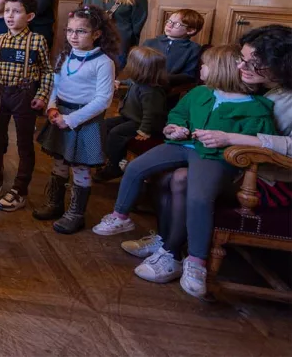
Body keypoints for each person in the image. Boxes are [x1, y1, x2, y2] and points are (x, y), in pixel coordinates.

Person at [92, 45, 276, 298]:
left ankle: (196, 261)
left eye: (205, 65)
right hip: (183, 145)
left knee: (199, 197)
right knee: (136, 167)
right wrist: (174, 128)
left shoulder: (256, 107)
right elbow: (177, 115)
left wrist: (228, 140)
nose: (200, 69)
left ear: (221, 71)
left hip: (214, 156)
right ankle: (121, 217)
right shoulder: (200, 92)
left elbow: (258, 140)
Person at [118, 26, 292, 268]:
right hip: (241, 164)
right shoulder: (266, 83)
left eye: (253, 63)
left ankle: (174, 252)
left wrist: (232, 139)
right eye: (242, 60)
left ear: (280, 64)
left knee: (181, 178)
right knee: (166, 175)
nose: (241, 68)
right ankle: (166, 244)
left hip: (270, 179)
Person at [34, 5, 119, 233]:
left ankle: (76, 213)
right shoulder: (64, 55)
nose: (73, 36)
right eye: (70, 30)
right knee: (59, 161)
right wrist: (52, 108)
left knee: (80, 167)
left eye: (81, 31)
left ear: (97, 34)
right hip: (61, 113)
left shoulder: (104, 63)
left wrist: (71, 120)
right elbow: (56, 85)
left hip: (84, 120)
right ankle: (54, 204)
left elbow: (103, 100)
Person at [0, 0, 54, 212]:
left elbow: (48, 72)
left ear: (29, 16)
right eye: (8, 11)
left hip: (24, 95)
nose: (10, 16)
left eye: (17, 12)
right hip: (0, 93)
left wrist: (42, 96)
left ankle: (20, 189)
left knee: (24, 144)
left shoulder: (37, 41)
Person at [95, 47, 169, 182]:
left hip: (143, 123)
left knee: (116, 133)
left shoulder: (151, 91)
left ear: (140, 68)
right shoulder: (139, 81)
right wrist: (120, 82)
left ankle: (115, 166)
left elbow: (151, 114)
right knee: (104, 125)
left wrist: (144, 131)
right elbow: (130, 82)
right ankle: (111, 156)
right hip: (130, 117)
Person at [142, 9, 204, 88]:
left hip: (167, 88)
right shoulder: (150, 43)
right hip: (140, 84)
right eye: (169, 21)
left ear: (191, 30)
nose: (169, 25)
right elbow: (137, 67)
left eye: (177, 24)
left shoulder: (193, 49)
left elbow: (189, 75)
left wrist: (162, 79)